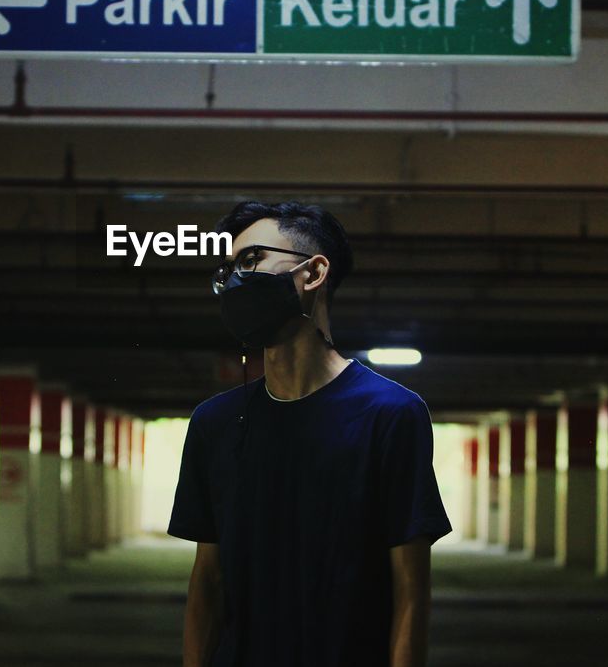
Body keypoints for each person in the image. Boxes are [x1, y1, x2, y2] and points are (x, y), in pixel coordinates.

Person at [168, 201, 452, 667]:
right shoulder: (214, 424)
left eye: (251, 260)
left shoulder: (391, 414)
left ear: (314, 272)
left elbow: (410, 592)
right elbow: (208, 583)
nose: (237, 281)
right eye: (229, 269)